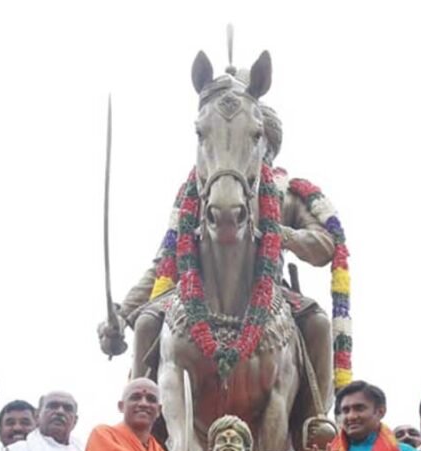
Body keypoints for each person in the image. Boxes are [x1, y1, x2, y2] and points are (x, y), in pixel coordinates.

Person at [96, 94, 337, 413]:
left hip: (268, 293)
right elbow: (164, 260)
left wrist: (284, 234)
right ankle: (141, 425)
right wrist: (124, 312)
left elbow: (324, 246)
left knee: (318, 323)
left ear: (266, 145)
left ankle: (314, 424)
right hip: (196, 293)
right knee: (146, 324)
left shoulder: (287, 195)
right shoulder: (199, 194)